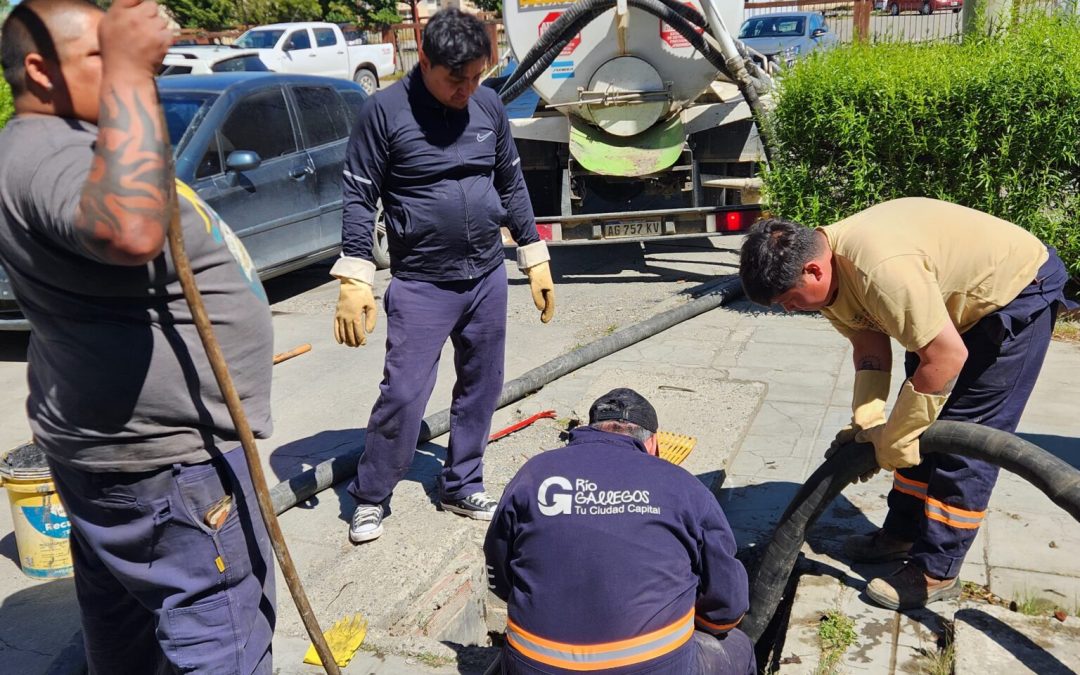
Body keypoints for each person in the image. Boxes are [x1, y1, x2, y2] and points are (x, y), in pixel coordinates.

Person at [0, 1, 276, 672]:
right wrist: (128, 68)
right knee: (223, 635)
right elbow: (129, 229)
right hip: (167, 469)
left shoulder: (68, 140)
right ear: (39, 71)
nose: (131, 63)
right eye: (102, 52)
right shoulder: (45, 152)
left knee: (126, 632)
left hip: (127, 457)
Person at [739, 197, 1075, 610]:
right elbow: (869, 344)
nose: (790, 310)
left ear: (813, 269)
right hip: (947, 303)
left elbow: (946, 357)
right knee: (911, 421)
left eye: (789, 300)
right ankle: (902, 533)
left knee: (962, 440)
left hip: (1014, 292)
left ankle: (936, 570)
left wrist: (892, 439)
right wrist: (868, 424)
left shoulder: (879, 271)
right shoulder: (828, 276)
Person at [333, 8, 555, 543]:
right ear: (425, 62)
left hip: (486, 276)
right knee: (405, 393)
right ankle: (371, 494)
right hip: (422, 282)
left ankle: (462, 481)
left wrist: (534, 252)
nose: (468, 89)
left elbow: (511, 181)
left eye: (478, 76)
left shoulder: (489, 104)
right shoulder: (384, 112)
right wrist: (355, 275)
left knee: (482, 387)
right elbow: (360, 196)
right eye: (457, 78)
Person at [484, 388, 756, 674]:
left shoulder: (534, 474)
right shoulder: (683, 486)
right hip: (651, 667)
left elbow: (500, 573)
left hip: (534, 665)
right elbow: (727, 609)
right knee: (737, 646)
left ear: (588, 431)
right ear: (653, 444)